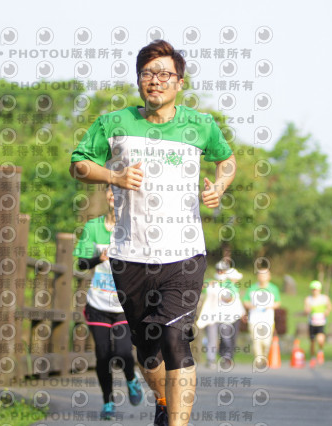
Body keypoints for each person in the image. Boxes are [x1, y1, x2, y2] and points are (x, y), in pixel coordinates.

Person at [69, 39, 236, 426]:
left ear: (179, 82)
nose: (155, 80)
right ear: (138, 80)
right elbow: (79, 164)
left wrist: (219, 185)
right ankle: (163, 401)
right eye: (147, 73)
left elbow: (226, 160)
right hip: (130, 254)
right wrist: (113, 176)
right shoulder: (114, 123)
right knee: (147, 352)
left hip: (184, 254)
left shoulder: (200, 125)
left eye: (164, 74)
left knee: (176, 339)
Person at [73, 185, 143, 420]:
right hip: (98, 304)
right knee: (103, 355)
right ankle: (108, 402)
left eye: (118, 189)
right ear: (106, 194)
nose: (113, 194)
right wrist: (99, 258)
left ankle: (131, 379)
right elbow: (81, 263)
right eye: (110, 189)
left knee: (123, 352)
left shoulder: (133, 227)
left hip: (124, 305)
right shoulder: (93, 227)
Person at [196, 260, 246, 369]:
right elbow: (199, 289)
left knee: (226, 338)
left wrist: (220, 293)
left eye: (222, 271)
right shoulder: (210, 282)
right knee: (212, 338)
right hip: (211, 315)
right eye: (218, 270)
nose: (220, 272)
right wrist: (207, 285)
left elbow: (230, 298)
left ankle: (226, 357)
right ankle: (211, 359)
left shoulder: (230, 284)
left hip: (225, 316)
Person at [242, 267, 281, 368]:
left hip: (268, 320)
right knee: (256, 340)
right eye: (260, 275)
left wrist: (270, 306)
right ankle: (258, 360)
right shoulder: (252, 288)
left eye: (264, 275)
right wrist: (251, 306)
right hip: (254, 319)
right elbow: (245, 301)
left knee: (266, 341)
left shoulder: (273, 289)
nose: (262, 277)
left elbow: (278, 303)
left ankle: (265, 358)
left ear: (269, 276)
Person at [304, 280, 332, 367]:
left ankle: (320, 351)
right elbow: (306, 310)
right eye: (313, 289)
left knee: (320, 340)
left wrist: (327, 311)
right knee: (312, 341)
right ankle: (313, 358)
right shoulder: (308, 299)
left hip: (321, 323)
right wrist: (307, 310)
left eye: (316, 289)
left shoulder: (324, 298)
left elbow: (329, 307)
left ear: (319, 290)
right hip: (312, 323)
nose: (314, 291)